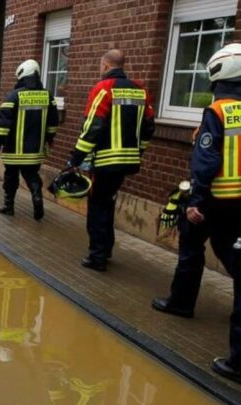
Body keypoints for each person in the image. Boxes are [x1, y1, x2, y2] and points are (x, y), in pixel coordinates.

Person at [149, 44, 241, 383]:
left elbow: (206, 161)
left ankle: (181, 303)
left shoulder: (217, 112)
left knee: (191, 249)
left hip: (214, 200)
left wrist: (196, 202)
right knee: (233, 256)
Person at [65, 49, 155, 272]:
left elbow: (92, 127)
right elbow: (148, 128)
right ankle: (106, 249)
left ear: (105, 65)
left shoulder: (103, 89)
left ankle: (97, 256)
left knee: (97, 206)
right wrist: (138, 152)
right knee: (108, 203)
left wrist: (75, 158)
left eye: (100, 66)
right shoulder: (140, 90)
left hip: (105, 161)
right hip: (128, 161)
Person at [0, 59, 59, 220]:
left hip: (14, 150)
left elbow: (3, 124)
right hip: (34, 150)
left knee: (11, 177)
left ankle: (8, 206)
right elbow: (53, 122)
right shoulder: (48, 97)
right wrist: (49, 139)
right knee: (32, 176)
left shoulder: (13, 96)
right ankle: (37, 198)